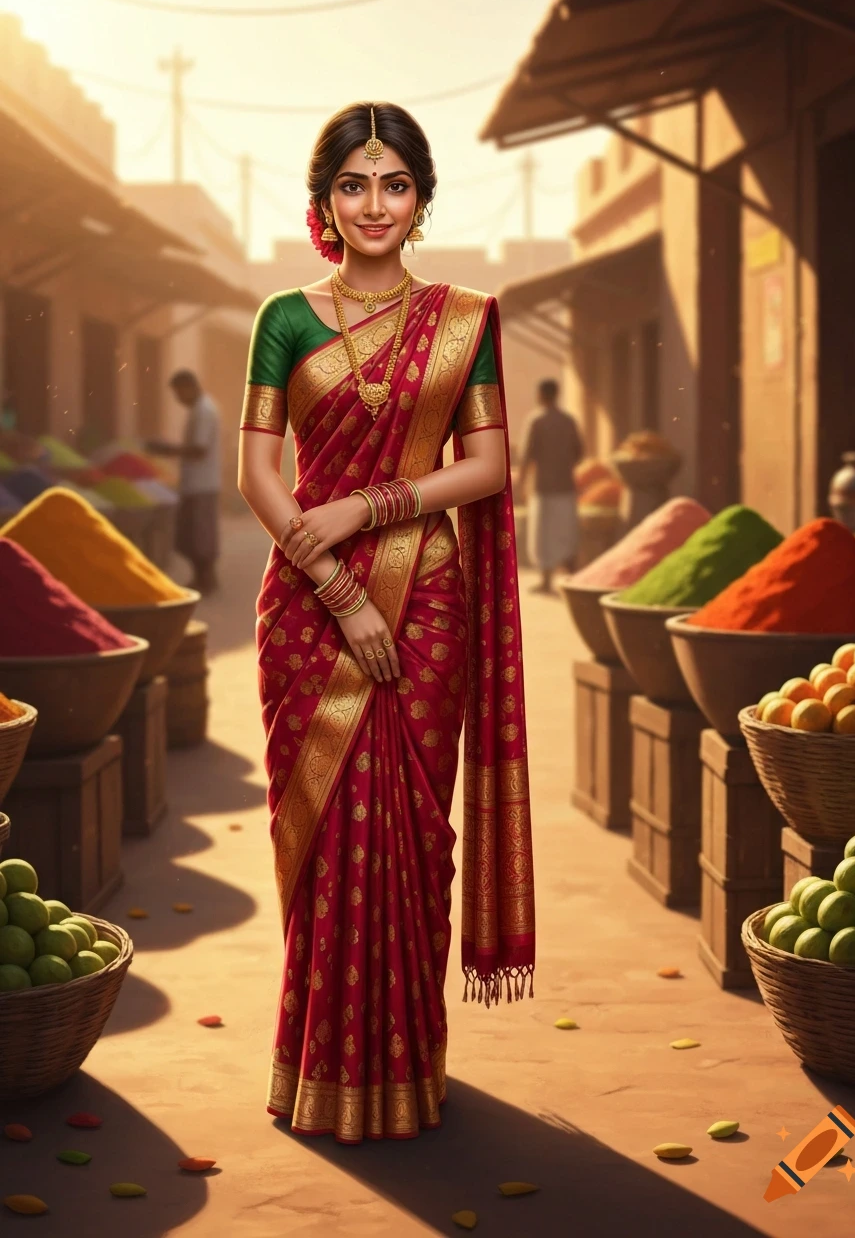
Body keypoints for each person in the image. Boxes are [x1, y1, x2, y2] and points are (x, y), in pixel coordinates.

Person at [237, 102, 535, 1145]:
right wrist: (340, 588)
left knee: (409, 834)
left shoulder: (465, 316)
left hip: (430, 599)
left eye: (394, 183)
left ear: (421, 198)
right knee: (324, 842)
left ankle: (406, 1068)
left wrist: (370, 505)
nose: (374, 204)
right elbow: (257, 477)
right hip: (309, 609)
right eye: (353, 185)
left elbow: (488, 465)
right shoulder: (284, 316)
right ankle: (313, 1065)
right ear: (324, 202)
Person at [147, 370, 221, 594]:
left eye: (178, 393)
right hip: (196, 483)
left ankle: (206, 579)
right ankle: (203, 578)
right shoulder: (199, 409)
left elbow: (199, 449)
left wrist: (167, 449)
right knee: (193, 534)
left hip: (203, 484)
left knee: (200, 535)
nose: (178, 399)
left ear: (188, 387)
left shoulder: (204, 410)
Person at [518, 378, 584, 594]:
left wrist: (521, 482)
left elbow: (526, 455)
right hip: (565, 484)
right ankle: (573, 578)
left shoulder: (536, 421)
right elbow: (579, 451)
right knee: (566, 531)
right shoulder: (568, 420)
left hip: (543, 486)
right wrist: (564, 465)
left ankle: (547, 582)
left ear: (541, 395)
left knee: (544, 534)